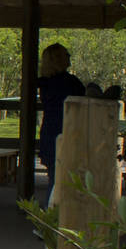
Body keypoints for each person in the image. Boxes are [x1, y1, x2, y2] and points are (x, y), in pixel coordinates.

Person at [36, 43, 85, 202]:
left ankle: (51, 216)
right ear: (57, 59)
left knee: (55, 178)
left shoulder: (44, 83)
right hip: (67, 132)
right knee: (63, 180)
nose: (69, 56)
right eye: (65, 54)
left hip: (50, 133)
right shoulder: (69, 82)